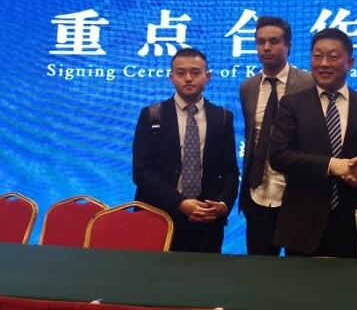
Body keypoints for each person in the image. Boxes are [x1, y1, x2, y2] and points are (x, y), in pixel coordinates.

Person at [269, 28, 357, 258]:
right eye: (317, 56)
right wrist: (332, 165)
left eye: (333, 57)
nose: (324, 63)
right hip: (302, 228)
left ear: (350, 63)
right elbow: (279, 155)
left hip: (354, 229)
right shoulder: (291, 105)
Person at [132, 48, 239, 253]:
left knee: (203, 272)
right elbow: (141, 172)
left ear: (208, 77)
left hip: (206, 219)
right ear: (171, 77)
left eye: (195, 72)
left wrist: (223, 205)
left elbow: (230, 172)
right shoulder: (152, 115)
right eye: (181, 73)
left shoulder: (223, 117)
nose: (188, 78)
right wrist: (180, 203)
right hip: (158, 215)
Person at [239, 16, 313, 255]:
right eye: (260, 42)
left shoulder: (308, 83)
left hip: (297, 196)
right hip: (258, 193)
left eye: (273, 41)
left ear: (288, 46)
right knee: (259, 269)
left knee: (297, 270)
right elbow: (252, 137)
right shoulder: (248, 87)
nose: (266, 47)